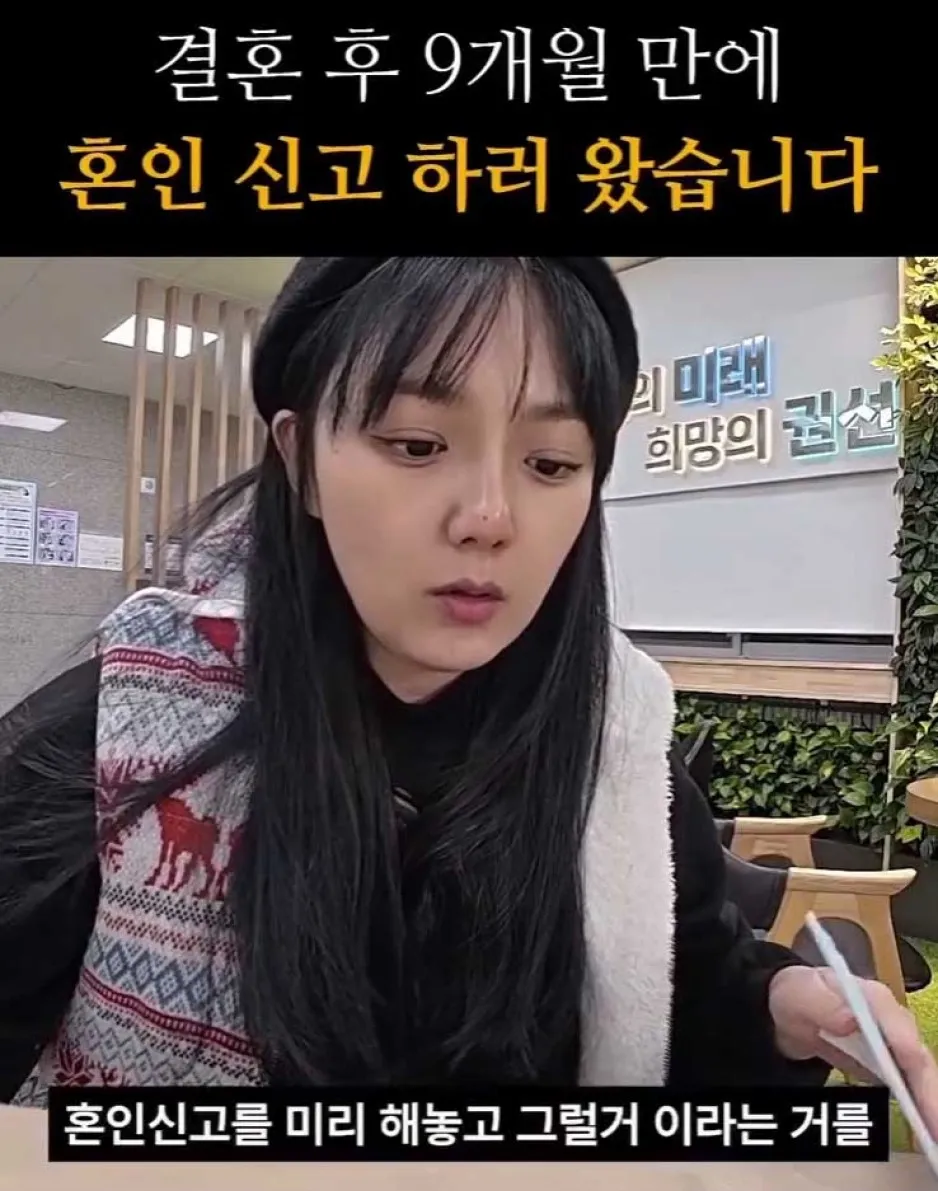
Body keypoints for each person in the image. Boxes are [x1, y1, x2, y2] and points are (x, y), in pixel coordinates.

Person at [1, 257, 936, 1124]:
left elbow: (683, 986)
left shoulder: (612, 747)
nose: (489, 517)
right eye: (417, 444)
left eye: (551, 464)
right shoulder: (121, 727)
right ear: (300, 458)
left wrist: (782, 1005)